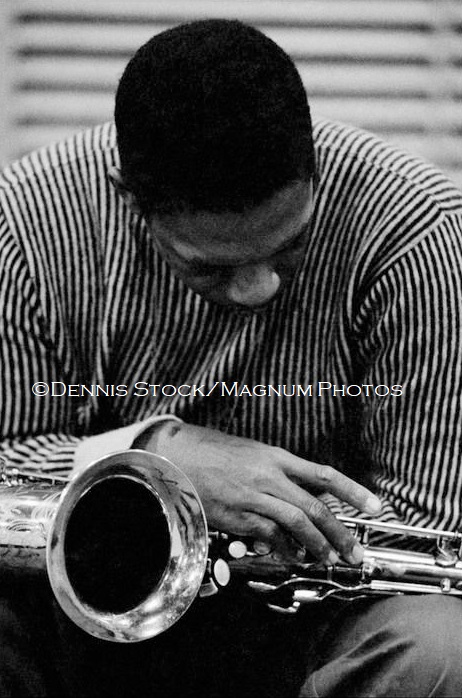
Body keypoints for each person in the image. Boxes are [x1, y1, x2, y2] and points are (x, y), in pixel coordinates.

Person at [0, 17, 462, 698]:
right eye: (209, 268)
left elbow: (431, 533)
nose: (258, 289)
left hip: (326, 624)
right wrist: (159, 461)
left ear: (315, 168)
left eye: (290, 246)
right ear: (127, 195)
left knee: (442, 650)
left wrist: (265, 527)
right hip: (77, 617)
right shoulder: (24, 225)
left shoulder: (419, 231)